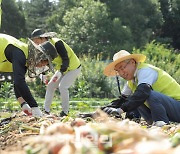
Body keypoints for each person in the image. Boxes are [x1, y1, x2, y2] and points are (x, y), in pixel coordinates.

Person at [102, 50, 180, 126]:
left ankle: (161, 125)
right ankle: (139, 122)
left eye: (122, 68)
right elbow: (121, 100)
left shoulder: (145, 71)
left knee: (146, 95)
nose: (121, 73)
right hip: (168, 110)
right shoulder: (131, 81)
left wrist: (120, 110)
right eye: (118, 71)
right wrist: (101, 112)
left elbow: (143, 92)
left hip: (177, 106)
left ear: (132, 62)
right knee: (134, 98)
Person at [0, 33, 58, 117]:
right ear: (39, 55)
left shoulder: (25, 59)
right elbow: (19, 82)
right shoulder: (19, 53)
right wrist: (34, 106)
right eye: (43, 61)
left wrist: (23, 104)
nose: (42, 65)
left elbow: (17, 83)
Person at [31, 29, 81, 117]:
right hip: (62, 69)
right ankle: (46, 110)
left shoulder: (57, 43)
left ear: (42, 38)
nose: (36, 43)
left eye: (36, 40)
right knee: (50, 85)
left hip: (73, 67)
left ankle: (65, 112)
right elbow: (45, 62)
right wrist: (42, 75)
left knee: (63, 86)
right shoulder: (43, 47)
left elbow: (66, 59)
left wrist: (60, 73)